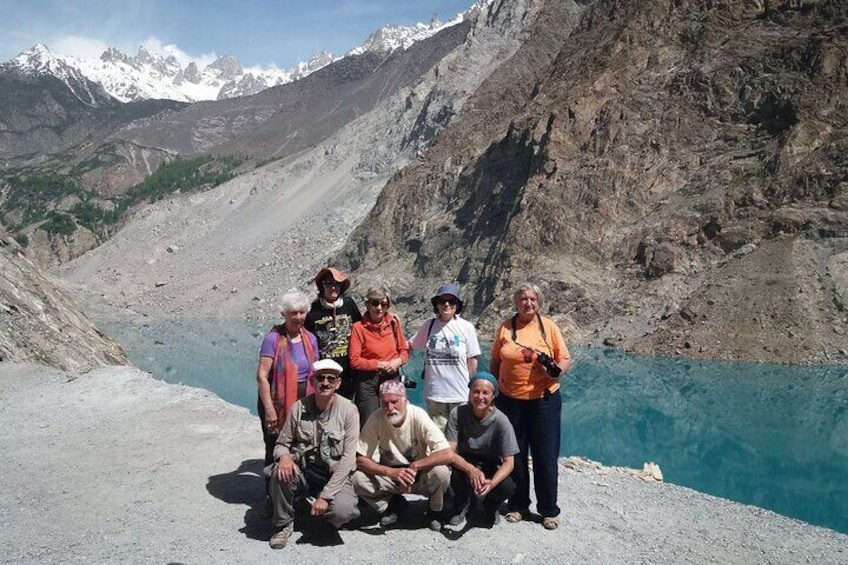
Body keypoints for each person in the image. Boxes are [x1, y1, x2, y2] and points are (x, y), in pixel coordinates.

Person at [489, 283, 571, 530]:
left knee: (545, 456)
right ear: (516, 302)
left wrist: (556, 372)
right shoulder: (505, 327)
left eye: (533, 299)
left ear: (539, 303)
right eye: (523, 299)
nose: (528, 303)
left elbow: (565, 358)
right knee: (515, 455)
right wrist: (498, 387)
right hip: (510, 401)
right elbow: (495, 361)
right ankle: (518, 505)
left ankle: (548, 510)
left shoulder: (549, 328)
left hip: (544, 402)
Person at [267, 359, 361, 549]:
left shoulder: (349, 411)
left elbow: (348, 459)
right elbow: (281, 444)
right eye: (320, 378)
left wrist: (326, 496)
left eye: (331, 379)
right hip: (304, 470)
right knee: (280, 470)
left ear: (338, 383)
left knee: (343, 511)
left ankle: (326, 517)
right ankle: (283, 525)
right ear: (312, 381)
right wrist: (284, 457)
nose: (325, 383)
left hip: (333, 475)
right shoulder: (298, 408)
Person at [352, 380, 453, 531]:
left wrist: (415, 466)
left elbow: (446, 453)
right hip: (392, 475)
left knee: (441, 472)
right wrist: (389, 472)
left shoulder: (418, 415)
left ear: (405, 401)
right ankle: (393, 504)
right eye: (385, 403)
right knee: (356, 479)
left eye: (394, 402)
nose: (390, 408)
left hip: (419, 474)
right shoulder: (376, 418)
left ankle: (435, 511)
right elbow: (360, 459)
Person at [256, 290, 319, 508]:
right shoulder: (272, 339)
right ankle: (271, 499)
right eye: (294, 313)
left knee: (300, 447)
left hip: (305, 401)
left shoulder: (310, 338)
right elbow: (262, 377)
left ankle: (295, 494)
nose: (299, 317)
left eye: (302, 312)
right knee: (275, 449)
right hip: (277, 403)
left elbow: (316, 373)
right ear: (285, 314)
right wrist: (270, 410)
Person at [444, 372, 518, 531]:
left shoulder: (501, 421)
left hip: (489, 464)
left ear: (493, 396)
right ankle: (462, 503)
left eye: (486, 393)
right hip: (464, 463)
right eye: (476, 391)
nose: (480, 396)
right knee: (450, 477)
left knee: (508, 486)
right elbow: (449, 452)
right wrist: (471, 470)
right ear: (469, 393)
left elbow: (509, 462)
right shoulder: (457, 414)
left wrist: (491, 484)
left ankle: (491, 505)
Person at [409, 283, 481, 431]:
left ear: (457, 305)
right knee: (439, 440)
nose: (447, 304)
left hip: (460, 394)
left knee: (461, 437)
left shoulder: (466, 327)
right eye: (442, 301)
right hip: (436, 395)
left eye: (451, 301)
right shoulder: (429, 326)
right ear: (437, 305)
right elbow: (411, 345)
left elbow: (472, 360)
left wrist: (473, 387)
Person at [348, 287, 409, 425]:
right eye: (375, 303)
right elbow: (354, 360)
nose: (379, 308)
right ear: (368, 305)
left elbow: (404, 351)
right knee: (369, 422)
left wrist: (397, 362)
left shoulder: (394, 323)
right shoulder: (358, 328)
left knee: (395, 419)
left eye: (384, 304)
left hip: (391, 377)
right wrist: (379, 364)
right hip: (367, 382)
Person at [305, 267, 362, 400]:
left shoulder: (349, 304)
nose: (333, 288)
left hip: (348, 370)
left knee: (346, 406)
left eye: (337, 284)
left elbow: (360, 327)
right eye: (328, 284)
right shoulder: (313, 310)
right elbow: (305, 336)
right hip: (324, 371)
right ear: (322, 286)